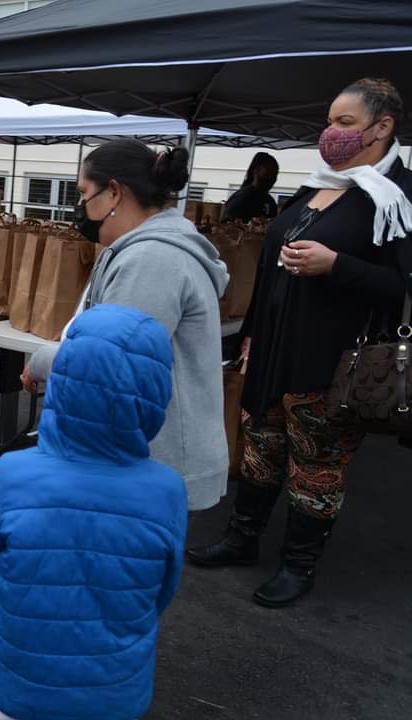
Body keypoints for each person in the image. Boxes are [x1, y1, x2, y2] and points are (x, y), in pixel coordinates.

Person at [187, 78, 412, 607]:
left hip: (333, 361)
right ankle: (241, 540)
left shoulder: (397, 199)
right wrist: (250, 335)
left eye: (346, 122)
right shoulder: (316, 184)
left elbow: (403, 286)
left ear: (382, 128)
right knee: (261, 451)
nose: (332, 132)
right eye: (330, 120)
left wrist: (338, 266)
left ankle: (298, 564)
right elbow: (269, 271)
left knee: (316, 465)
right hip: (271, 351)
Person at [0, 304, 187, 720]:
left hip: (19, 684)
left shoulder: (9, 475)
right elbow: (161, 590)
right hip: (114, 693)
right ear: (157, 390)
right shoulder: (167, 491)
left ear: (63, 375)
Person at [24, 139, 230, 511]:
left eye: (85, 194)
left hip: (153, 461)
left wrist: (41, 361)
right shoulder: (141, 250)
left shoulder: (151, 260)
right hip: (150, 457)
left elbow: (109, 368)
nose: (81, 208)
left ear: (114, 192)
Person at [222, 152, 280, 222]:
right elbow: (226, 224)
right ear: (256, 171)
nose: (272, 178)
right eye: (269, 173)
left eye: (275, 174)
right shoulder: (241, 198)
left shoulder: (270, 201)